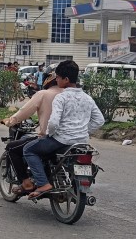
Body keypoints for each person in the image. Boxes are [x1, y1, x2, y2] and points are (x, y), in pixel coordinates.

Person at [23, 60, 105, 198]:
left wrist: (49, 134)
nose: (56, 80)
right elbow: (99, 121)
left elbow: (54, 123)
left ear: (66, 79)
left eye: (58, 77)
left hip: (61, 141)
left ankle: (43, 183)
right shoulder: (87, 98)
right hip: (82, 142)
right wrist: (85, 132)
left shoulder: (61, 98)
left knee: (28, 149)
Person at [1, 72, 62, 194]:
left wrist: (10, 121)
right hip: (73, 139)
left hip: (52, 139)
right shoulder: (72, 95)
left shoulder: (44, 94)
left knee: (13, 148)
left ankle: (27, 184)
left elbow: (25, 111)